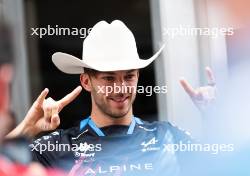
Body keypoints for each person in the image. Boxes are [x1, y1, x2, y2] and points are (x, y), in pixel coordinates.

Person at [7, 20, 216, 175]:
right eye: (108, 78)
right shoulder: (57, 147)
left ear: (138, 76)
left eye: (129, 76)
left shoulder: (167, 137)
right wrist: (27, 129)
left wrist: (216, 117)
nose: (121, 88)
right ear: (86, 81)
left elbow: (230, 166)